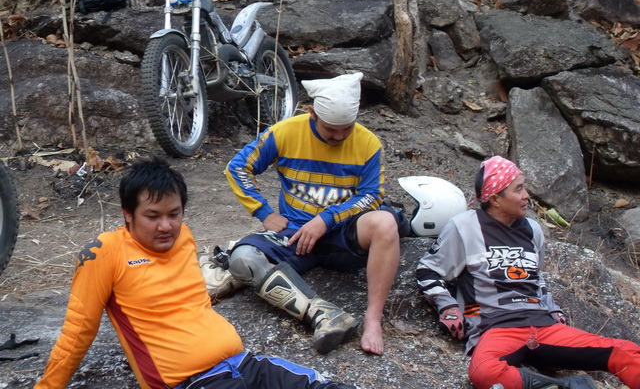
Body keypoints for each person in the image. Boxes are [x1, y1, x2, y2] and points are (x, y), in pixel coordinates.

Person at [34, 157, 356, 389]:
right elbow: (78, 332)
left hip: (245, 364)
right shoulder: (105, 252)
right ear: (128, 214)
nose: (166, 226)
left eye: (174, 214)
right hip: (194, 382)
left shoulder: (184, 237)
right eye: (152, 216)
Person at [415, 155, 640, 389]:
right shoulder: (464, 226)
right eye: (518, 189)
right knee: (484, 372)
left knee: (627, 351)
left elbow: (536, 278)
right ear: (495, 198)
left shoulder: (533, 229)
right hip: (496, 328)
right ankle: (566, 386)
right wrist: (448, 307)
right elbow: (428, 270)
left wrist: (553, 308)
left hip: (544, 326)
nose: (527, 196)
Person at [222, 72, 406, 356]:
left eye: (347, 129)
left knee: (385, 222)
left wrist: (326, 219)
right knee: (243, 258)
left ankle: (372, 320)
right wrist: (264, 212)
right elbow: (238, 167)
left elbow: (372, 195)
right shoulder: (285, 132)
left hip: (344, 232)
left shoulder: (368, 143)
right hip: (294, 233)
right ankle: (323, 314)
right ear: (311, 113)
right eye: (331, 129)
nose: (339, 136)